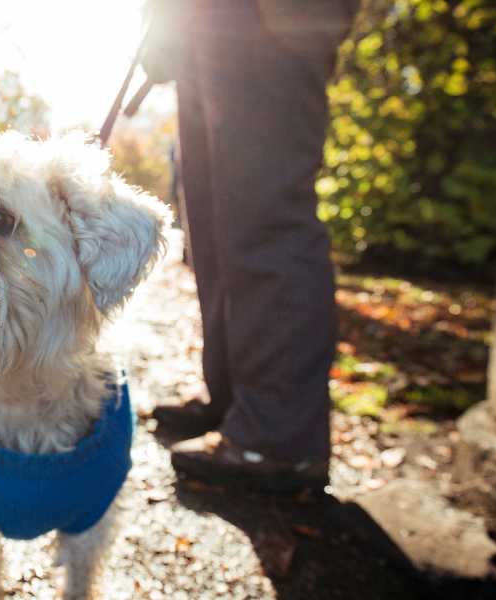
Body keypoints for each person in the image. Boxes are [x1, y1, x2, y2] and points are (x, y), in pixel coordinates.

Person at [141, 0, 359, 493]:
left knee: (264, 213)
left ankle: (278, 433)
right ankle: (234, 399)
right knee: (216, 230)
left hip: (272, 19)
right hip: (205, 26)